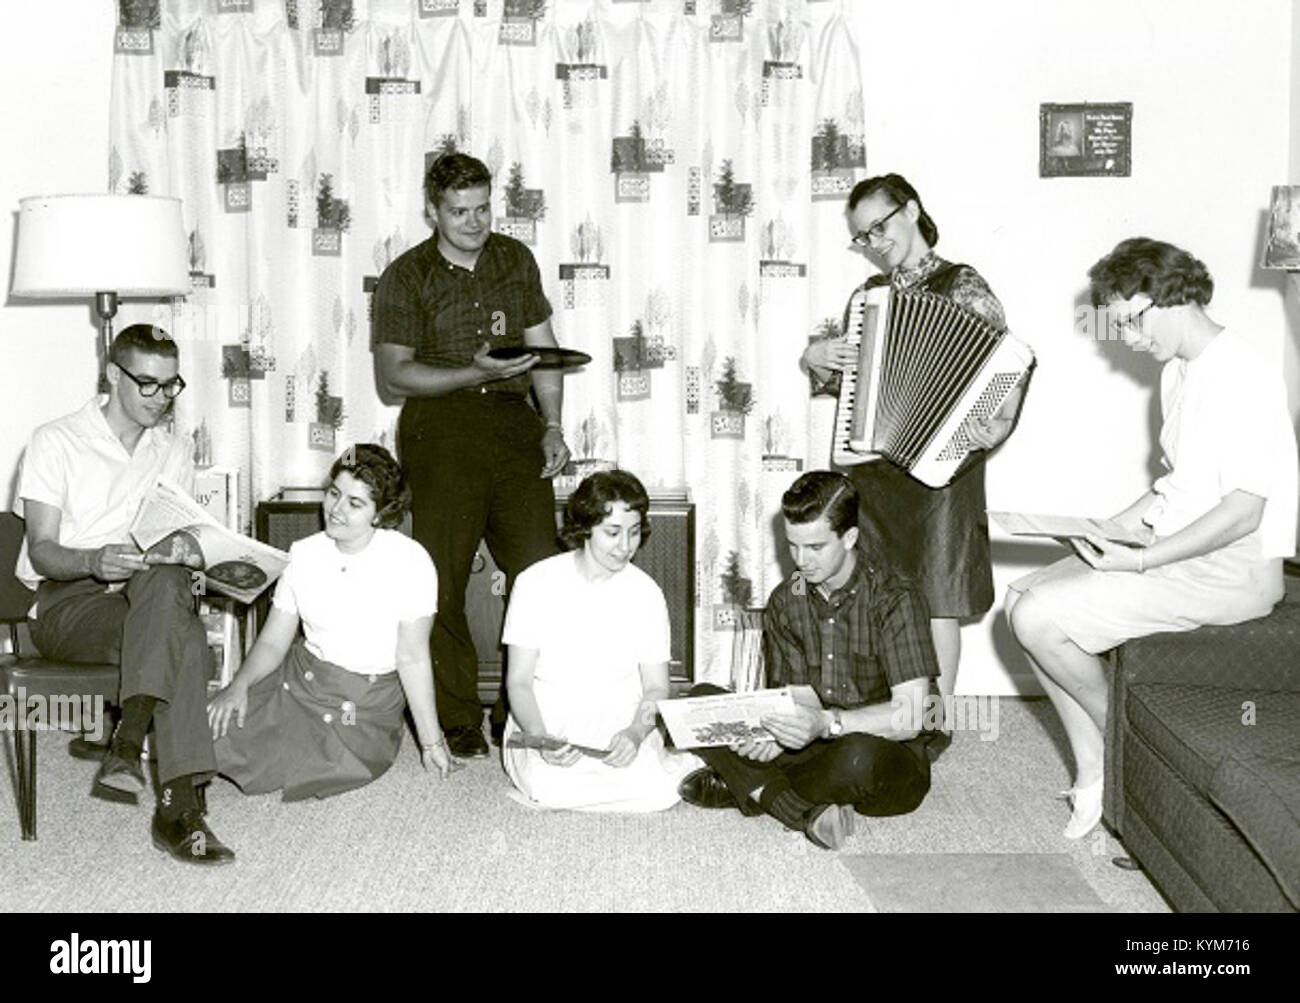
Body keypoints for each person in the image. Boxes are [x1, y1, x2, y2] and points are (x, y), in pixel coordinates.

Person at [1008, 238, 1298, 839]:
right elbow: (1176, 487)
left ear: (1167, 297)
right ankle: (1095, 774)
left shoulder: (1245, 374)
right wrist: (1105, 530)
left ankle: (1120, 746)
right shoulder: (1180, 373)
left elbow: (1244, 512)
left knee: (1038, 619)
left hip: (1235, 568)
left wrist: (1139, 562)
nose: (1130, 341)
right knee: (1018, 599)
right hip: (1180, 551)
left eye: (1131, 324)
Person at [802, 173, 1028, 737]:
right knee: (879, 592)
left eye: (879, 226)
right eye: (862, 235)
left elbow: (1007, 368)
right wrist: (818, 360)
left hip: (942, 468)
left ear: (912, 211)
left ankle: (934, 723)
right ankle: (888, 713)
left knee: (936, 597)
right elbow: (848, 391)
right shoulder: (866, 299)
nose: (875, 242)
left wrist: (993, 429)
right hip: (877, 467)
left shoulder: (964, 285)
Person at [372, 152, 569, 760]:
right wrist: (469, 371)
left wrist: (554, 424)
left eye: (483, 208)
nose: (474, 221)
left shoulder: (515, 259)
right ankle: (455, 716)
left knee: (540, 571)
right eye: (459, 212)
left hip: (514, 423)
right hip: (441, 426)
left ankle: (521, 710)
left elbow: (545, 349)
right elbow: (394, 376)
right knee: (444, 576)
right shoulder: (406, 276)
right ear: (432, 210)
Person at [15, 324, 234, 865]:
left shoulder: (173, 449)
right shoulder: (54, 440)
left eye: (170, 386)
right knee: (180, 632)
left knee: (168, 586)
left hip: (144, 595)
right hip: (69, 599)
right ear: (113, 375)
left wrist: (185, 547)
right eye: (147, 385)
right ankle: (177, 804)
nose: (162, 399)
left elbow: (173, 532)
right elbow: (41, 549)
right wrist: (92, 560)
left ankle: (131, 746)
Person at [677, 471, 937, 850]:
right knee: (699, 701)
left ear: (849, 538)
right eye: (793, 546)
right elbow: (800, 700)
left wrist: (827, 724)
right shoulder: (786, 600)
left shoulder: (896, 597)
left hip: (886, 753)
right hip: (816, 747)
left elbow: (912, 717)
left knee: (856, 757)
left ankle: (752, 790)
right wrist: (782, 736)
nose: (801, 560)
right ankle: (798, 808)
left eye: (815, 547)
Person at [207, 444, 459, 799]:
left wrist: (431, 742)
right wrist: (239, 685)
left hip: (365, 700)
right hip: (302, 678)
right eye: (334, 493)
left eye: (355, 504)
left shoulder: (410, 561)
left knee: (302, 764)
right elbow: (273, 642)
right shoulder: (303, 552)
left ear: (380, 513)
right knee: (206, 730)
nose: (336, 510)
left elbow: (413, 657)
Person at [501, 470, 697, 811]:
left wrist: (636, 733)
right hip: (547, 718)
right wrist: (542, 738)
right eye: (612, 532)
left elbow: (655, 689)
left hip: (622, 717)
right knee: (548, 786)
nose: (626, 547)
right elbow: (518, 683)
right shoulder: (534, 582)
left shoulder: (646, 592)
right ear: (585, 527)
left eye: (634, 532)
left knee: (658, 791)